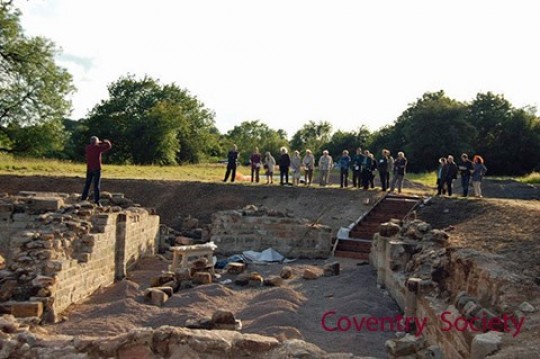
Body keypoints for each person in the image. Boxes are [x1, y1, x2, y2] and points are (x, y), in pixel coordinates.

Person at [81, 136, 112, 205]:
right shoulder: (98, 148)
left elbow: (93, 145)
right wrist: (104, 141)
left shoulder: (88, 148)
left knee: (87, 184)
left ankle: (83, 198)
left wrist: (97, 142)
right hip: (97, 168)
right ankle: (97, 201)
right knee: (96, 185)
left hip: (89, 168)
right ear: (96, 142)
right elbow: (108, 146)